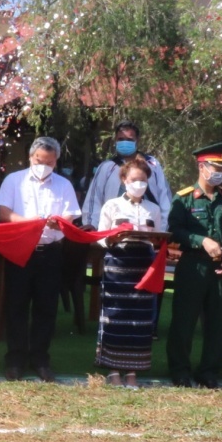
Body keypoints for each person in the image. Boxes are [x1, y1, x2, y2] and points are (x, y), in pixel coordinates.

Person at [0, 136, 81, 381]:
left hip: (50, 251)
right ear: (30, 158)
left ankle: (41, 359)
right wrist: (31, 224)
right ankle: (15, 359)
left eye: (49, 161)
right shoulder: (15, 180)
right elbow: (3, 213)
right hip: (21, 248)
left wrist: (58, 222)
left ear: (56, 161)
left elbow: (70, 216)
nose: (44, 165)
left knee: (46, 307)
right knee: (16, 305)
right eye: (39, 160)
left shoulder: (63, 184)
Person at [167, 142, 222, 388]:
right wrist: (201, 241)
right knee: (184, 320)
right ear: (202, 167)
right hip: (193, 265)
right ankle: (180, 370)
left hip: (221, 268)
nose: (221, 171)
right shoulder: (184, 198)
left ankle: (209, 371)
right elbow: (175, 230)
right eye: (216, 166)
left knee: (217, 322)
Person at [94, 157, 167, 386]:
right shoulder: (112, 205)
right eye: (135, 179)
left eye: (143, 180)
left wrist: (157, 241)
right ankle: (113, 370)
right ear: (125, 180)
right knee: (116, 315)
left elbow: (159, 236)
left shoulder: (153, 208)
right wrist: (112, 239)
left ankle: (133, 372)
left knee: (140, 318)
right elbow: (101, 237)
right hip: (118, 263)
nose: (139, 184)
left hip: (144, 264)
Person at [83, 121, 173, 225]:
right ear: (115, 140)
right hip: (115, 229)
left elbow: (165, 198)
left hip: (149, 228)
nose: (125, 142)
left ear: (137, 140)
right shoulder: (107, 167)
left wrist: (163, 229)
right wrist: (91, 225)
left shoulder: (152, 165)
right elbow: (93, 200)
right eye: (121, 139)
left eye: (129, 140)